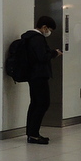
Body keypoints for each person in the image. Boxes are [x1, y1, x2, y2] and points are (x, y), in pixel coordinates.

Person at [25, 16, 62, 145]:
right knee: (42, 103)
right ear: (44, 27)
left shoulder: (29, 37)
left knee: (35, 103)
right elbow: (42, 57)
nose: (49, 32)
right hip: (39, 75)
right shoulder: (38, 38)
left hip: (32, 74)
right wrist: (54, 53)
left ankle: (31, 133)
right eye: (49, 29)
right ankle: (34, 134)